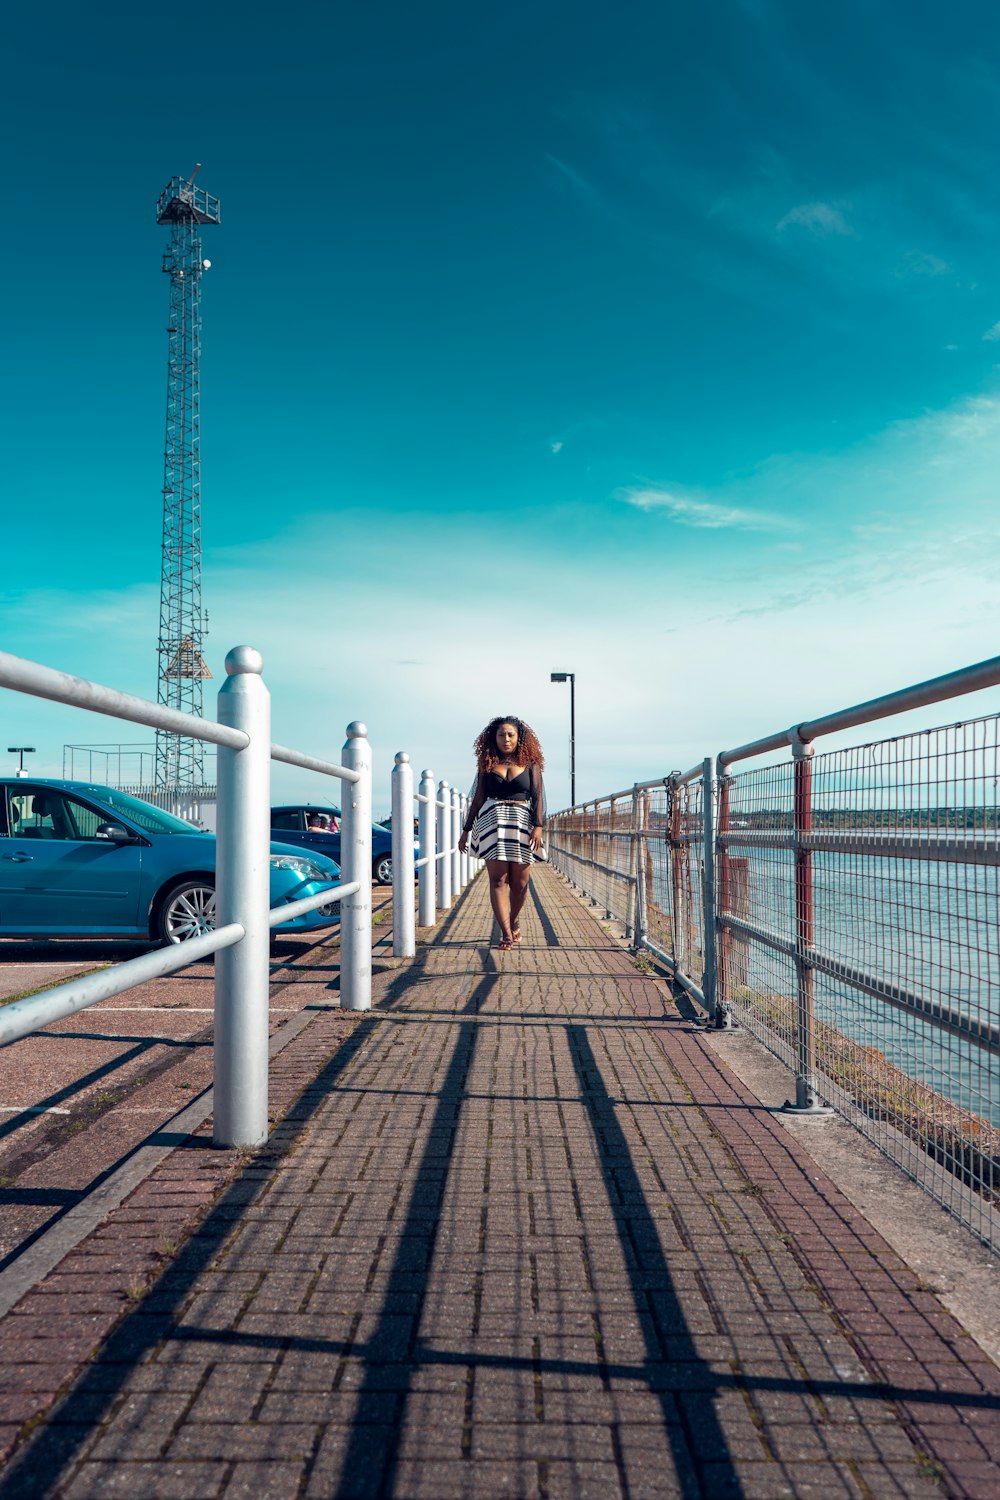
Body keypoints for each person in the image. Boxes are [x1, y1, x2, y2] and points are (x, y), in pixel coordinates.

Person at [458, 716, 546, 952]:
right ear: (493, 737)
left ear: (519, 738)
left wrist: (538, 825)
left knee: (520, 883)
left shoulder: (530, 763)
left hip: (521, 823)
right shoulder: (487, 764)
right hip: (491, 823)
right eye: (501, 735)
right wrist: (466, 830)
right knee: (498, 880)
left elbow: (537, 796)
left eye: (510, 735)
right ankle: (506, 932)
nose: (505, 739)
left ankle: (513, 919)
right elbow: (478, 798)